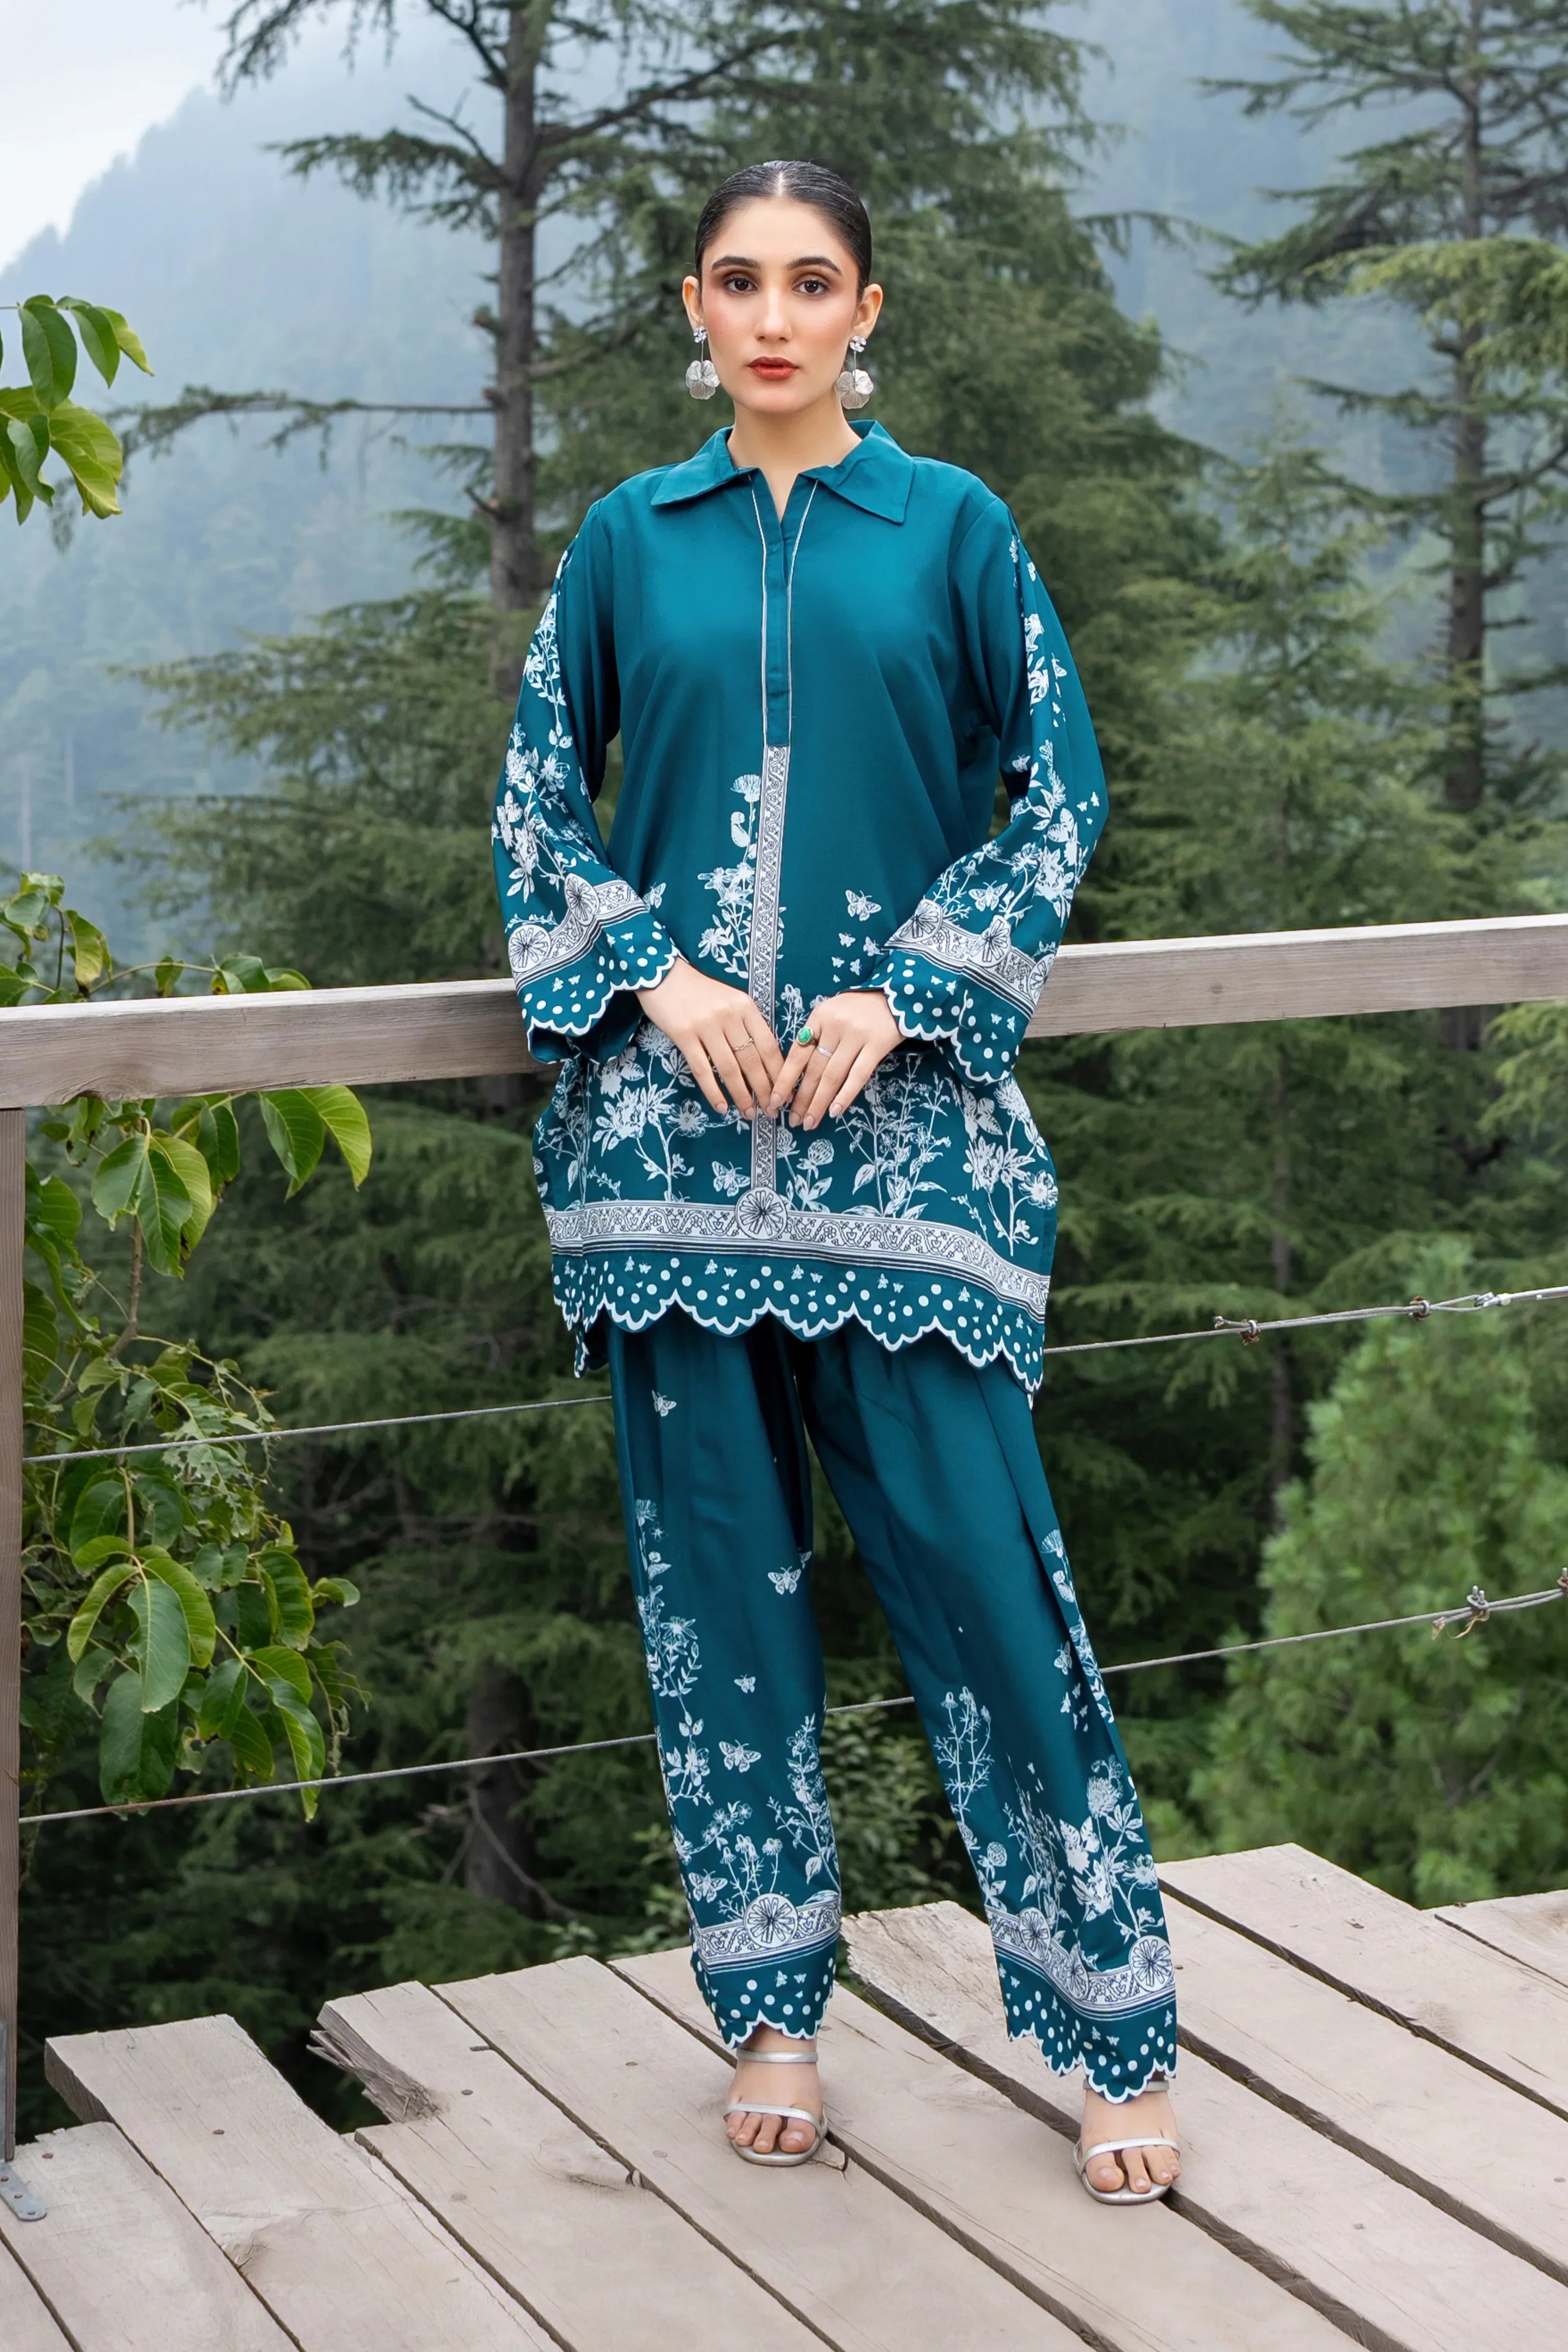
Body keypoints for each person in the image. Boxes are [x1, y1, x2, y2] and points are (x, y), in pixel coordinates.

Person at [491, 157, 1181, 2202]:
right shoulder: (628, 543)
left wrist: (911, 991)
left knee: (985, 1573)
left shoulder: (953, 529)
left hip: (908, 1160)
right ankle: (774, 2008)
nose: (773, 317)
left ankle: (1113, 2017)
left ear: (866, 309)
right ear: (694, 310)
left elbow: (1057, 791)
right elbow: (538, 806)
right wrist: (655, 970)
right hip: (671, 1169)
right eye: (738, 281)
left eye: (811, 283)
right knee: (720, 1599)